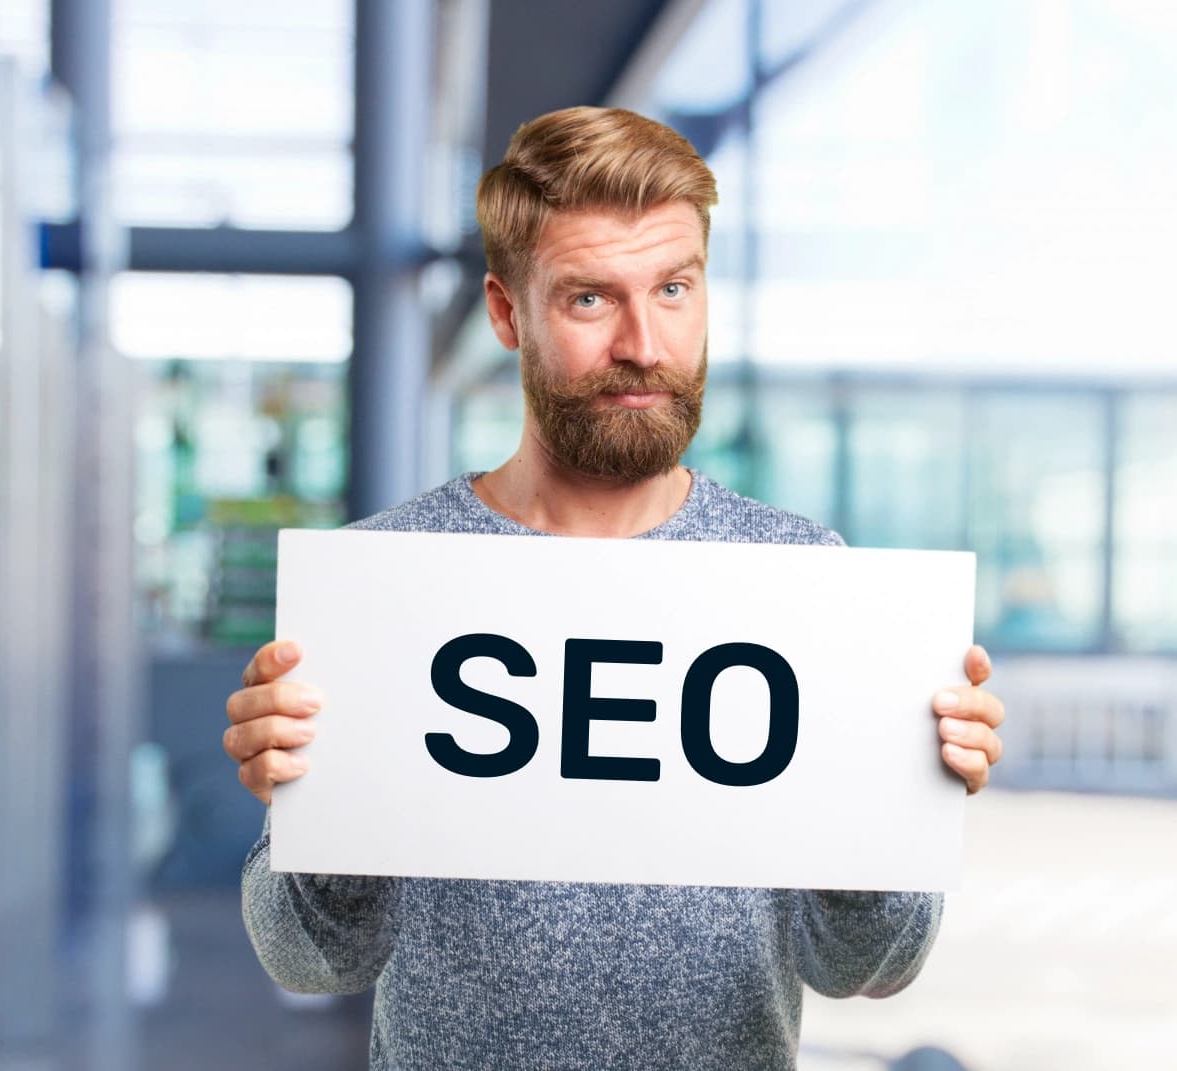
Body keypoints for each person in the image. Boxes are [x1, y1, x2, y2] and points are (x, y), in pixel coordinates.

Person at [222, 106, 1006, 1070]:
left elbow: (869, 967)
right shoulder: (389, 573)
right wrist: (313, 800)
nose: (645, 341)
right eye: (591, 299)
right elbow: (310, 959)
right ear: (508, 314)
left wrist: (892, 809)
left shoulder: (805, 580)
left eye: (674, 287)